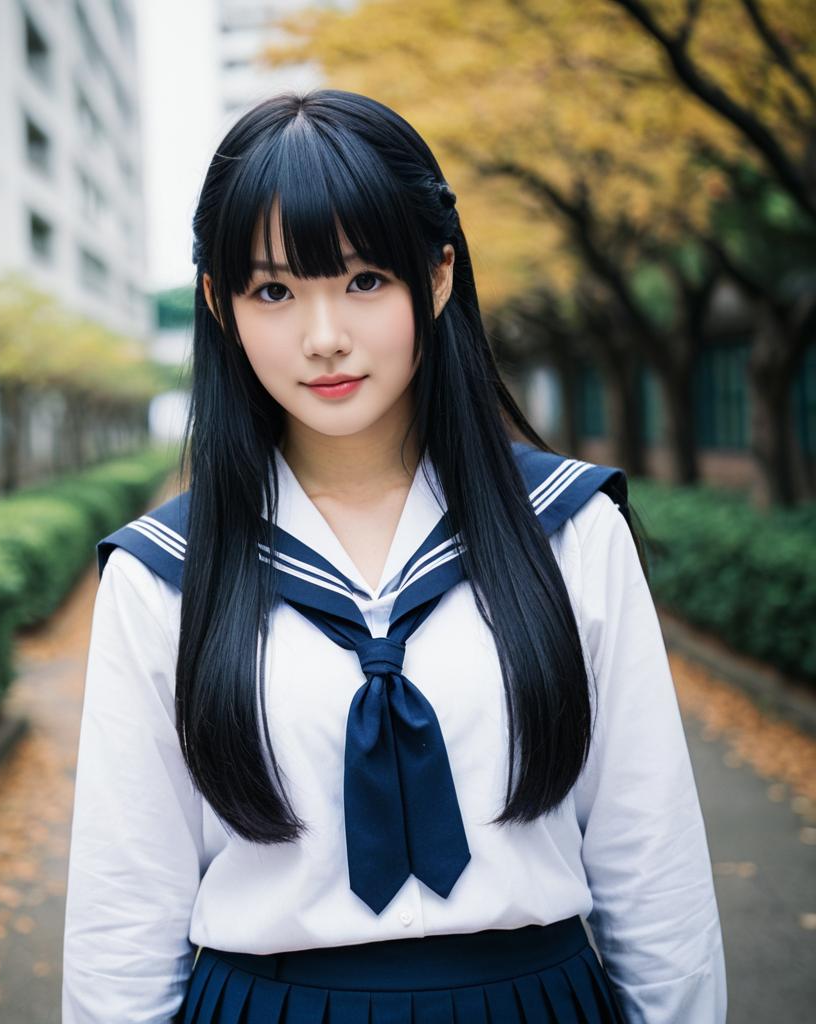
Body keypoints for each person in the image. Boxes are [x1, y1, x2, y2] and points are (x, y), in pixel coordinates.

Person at [61, 90, 726, 1024]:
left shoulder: (569, 530)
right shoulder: (164, 574)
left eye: (366, 280)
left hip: (536, 1004)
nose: (324, 334)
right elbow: (123, 908)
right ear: (220, 305)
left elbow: (649, 850)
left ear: (439, 275)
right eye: (275, 291)